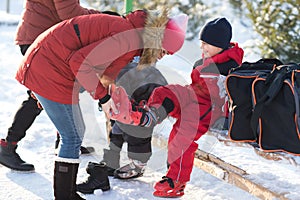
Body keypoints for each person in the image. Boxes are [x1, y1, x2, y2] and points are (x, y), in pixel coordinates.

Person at [15, 8, 188, 200]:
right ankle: (65, 196)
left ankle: (68, 194)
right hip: (50, 67)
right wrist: (103, 98)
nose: (162, 56)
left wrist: (112, 94)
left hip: (51, 63)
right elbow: (81, 62)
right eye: (163, 51)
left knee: (75, 134)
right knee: (72, 136)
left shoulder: (132, 35)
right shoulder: (128, 39)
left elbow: (104, 68)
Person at [110, 17, 244, 198]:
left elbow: (226, 97)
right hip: (196, 96)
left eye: (208, 45)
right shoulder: (210, 59)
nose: (203, 48)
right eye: (202, 43)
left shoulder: (229, 67)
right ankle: (147, 114)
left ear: (222, 45)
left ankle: (176, 181)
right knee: (166, 91)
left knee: (181, 136)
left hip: (211, 109)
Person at [0, 0, 101, 172]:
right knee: (39, 96)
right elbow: (70, 13)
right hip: (41, 40)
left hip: (46, 37)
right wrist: (102, 17)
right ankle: (7, 146)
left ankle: (62, 141)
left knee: (63, 89)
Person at [76, 59, 168, 194]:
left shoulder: (121, 78)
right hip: (129, 98)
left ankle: (139, 163)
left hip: (147, 100)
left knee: (136, 131)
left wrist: (141, 113)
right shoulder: (110, 76)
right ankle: (111, 161)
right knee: (117, 128)